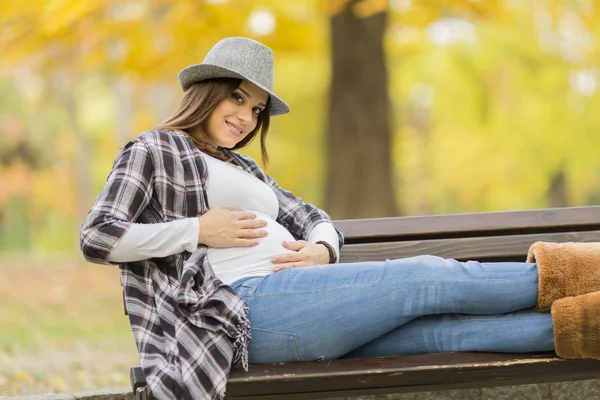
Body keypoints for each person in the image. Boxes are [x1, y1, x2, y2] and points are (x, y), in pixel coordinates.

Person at [80, 37, 600, 400]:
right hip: (243, 310)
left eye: (257, 109)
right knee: (425, 277)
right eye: (238, 97)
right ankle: (589, 267)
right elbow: (97, 236)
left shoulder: (242, 166)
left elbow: (313, 216)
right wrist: (199, 230)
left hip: (303, 301)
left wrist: (321, 248)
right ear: (206, 92)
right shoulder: (155, 149)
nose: (246, 117)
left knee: (448, 334)